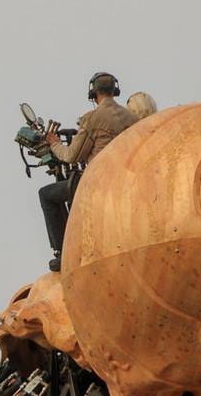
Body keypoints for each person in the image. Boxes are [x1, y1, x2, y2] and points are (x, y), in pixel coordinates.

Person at [35, 71, 136, 269]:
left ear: (93, 93)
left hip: (98, 183)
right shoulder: (132, 118)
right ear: (115, 90)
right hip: (125, 181)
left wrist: (54, 144)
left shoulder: (93, 118)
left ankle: (63, 251)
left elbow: (71, 156)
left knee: (46, 195)